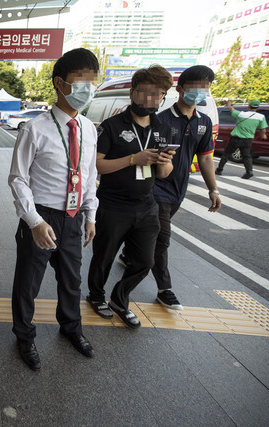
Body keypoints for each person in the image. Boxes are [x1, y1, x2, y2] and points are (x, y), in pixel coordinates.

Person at [9, 48, 99, 370]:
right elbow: (18, 179)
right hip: (41, 217)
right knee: (28, 283)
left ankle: (71, 328)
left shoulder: (88, 129)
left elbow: (89, 175)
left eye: (93, 82)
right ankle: (24, 336)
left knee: (72, 280)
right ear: (60, 83)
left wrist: (90, 215)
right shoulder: (35, 129)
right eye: (81, 82)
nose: (88, 89)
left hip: (73, 218)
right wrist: (33, 221)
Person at [118, 65, 222, 311]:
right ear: (180, 89)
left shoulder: (203, 123)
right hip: (155, 189)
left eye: (204, 87)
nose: (199, 92)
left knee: (149, 237)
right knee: (162, 240)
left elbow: (206, 158)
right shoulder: (160, 120)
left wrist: (213, 190)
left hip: (178, 191)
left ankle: (128, 252)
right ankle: (165, 289)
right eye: (194, 87)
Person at [86, 65, 175, 329]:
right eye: (145, 93)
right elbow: (97, 167)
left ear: (162, 97)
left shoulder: (163, 128)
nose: (150, 99)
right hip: (113, 204)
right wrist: (133, 159)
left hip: (147, 205)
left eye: (157, 94)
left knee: (146, 260)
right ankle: (96, 295)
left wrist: (164, 161)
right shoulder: (112, 126)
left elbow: (165, 173)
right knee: (104, 256)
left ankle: (119, 298)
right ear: (133, 93)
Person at [216, 99, 268, 179]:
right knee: (246, 156)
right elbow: (263, 129)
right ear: (257, 107)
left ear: (249, 106)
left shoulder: (241, 114)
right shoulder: (261, 117)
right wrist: (263, 135)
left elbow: (231, 110)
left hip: (235, 138)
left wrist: (228, 104)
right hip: (247, 140)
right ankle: (249, 172)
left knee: (226, 154)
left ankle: (219, 170)